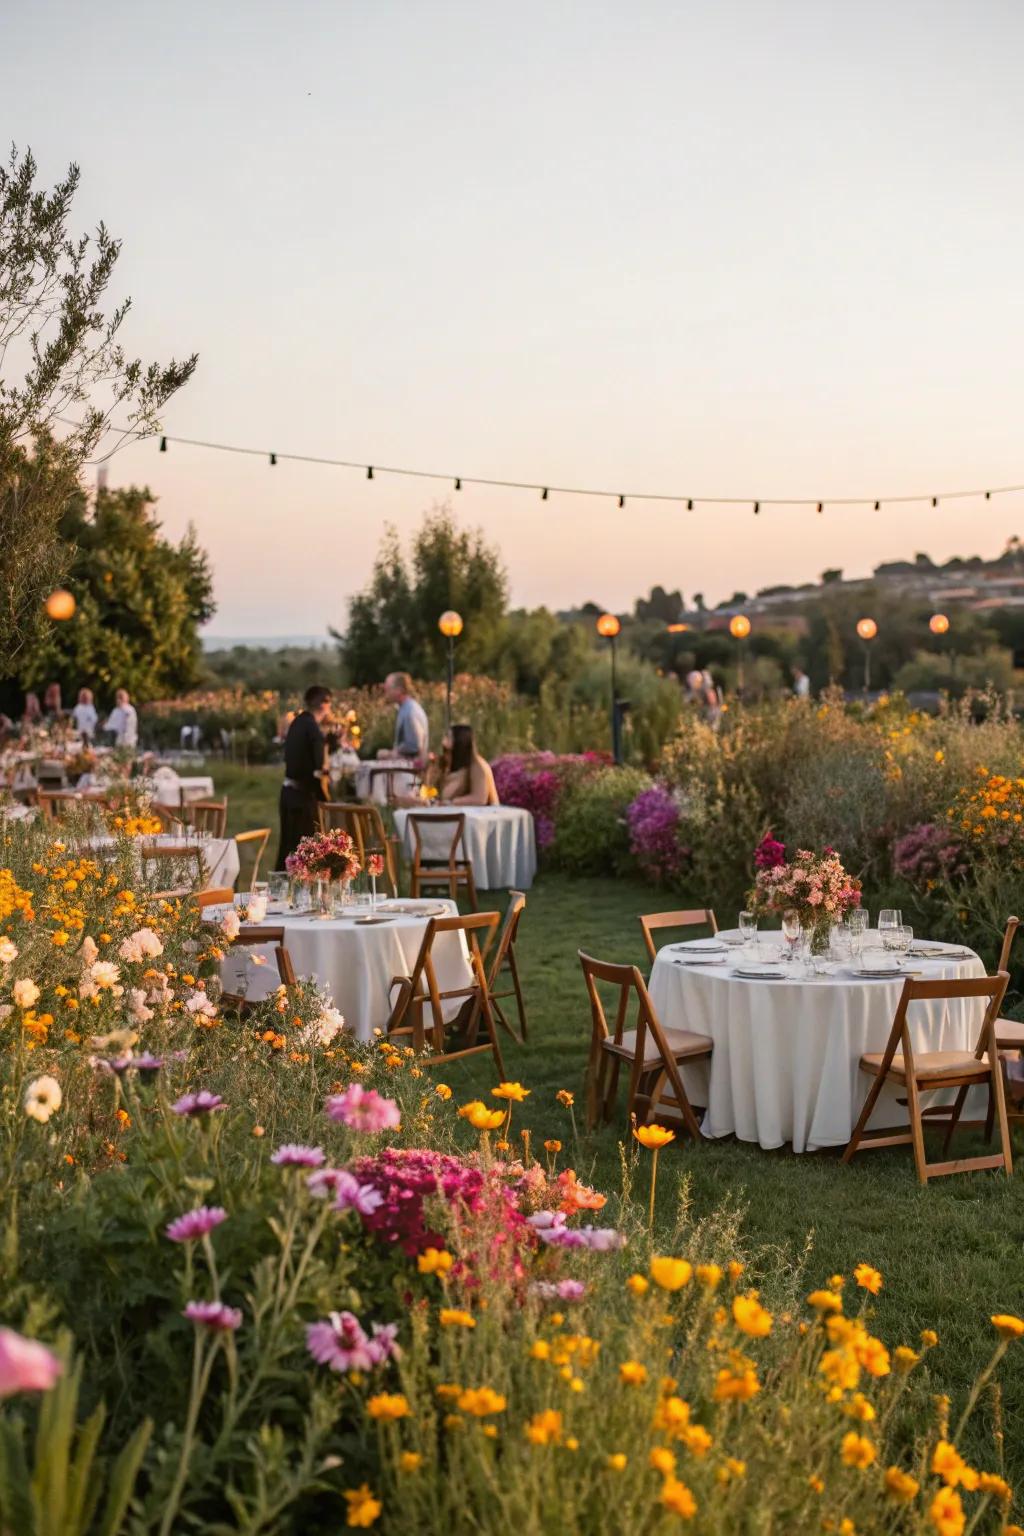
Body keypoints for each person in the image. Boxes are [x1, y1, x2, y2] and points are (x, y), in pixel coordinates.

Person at [277, 684, 332, 868]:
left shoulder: (298, 722)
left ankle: (281, 891)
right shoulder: (312, 729)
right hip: (302, 799)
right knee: (305, 854)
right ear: (324, 704)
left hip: (288, 793)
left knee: (287, 849)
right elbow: (318, 769)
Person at [438, 723, 499, 805]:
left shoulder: (477, 766)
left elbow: (479, 799)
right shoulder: (454, 766)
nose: (443, 741)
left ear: (460, 739)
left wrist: (451, 802)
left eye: (448, 737)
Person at [379, 672, 428, 762]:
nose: (386, 693)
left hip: (410, 771)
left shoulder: (410, 712)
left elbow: (413, 746)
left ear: (399, 690)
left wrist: (389, 754)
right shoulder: (405, 708)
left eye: (388, 689)